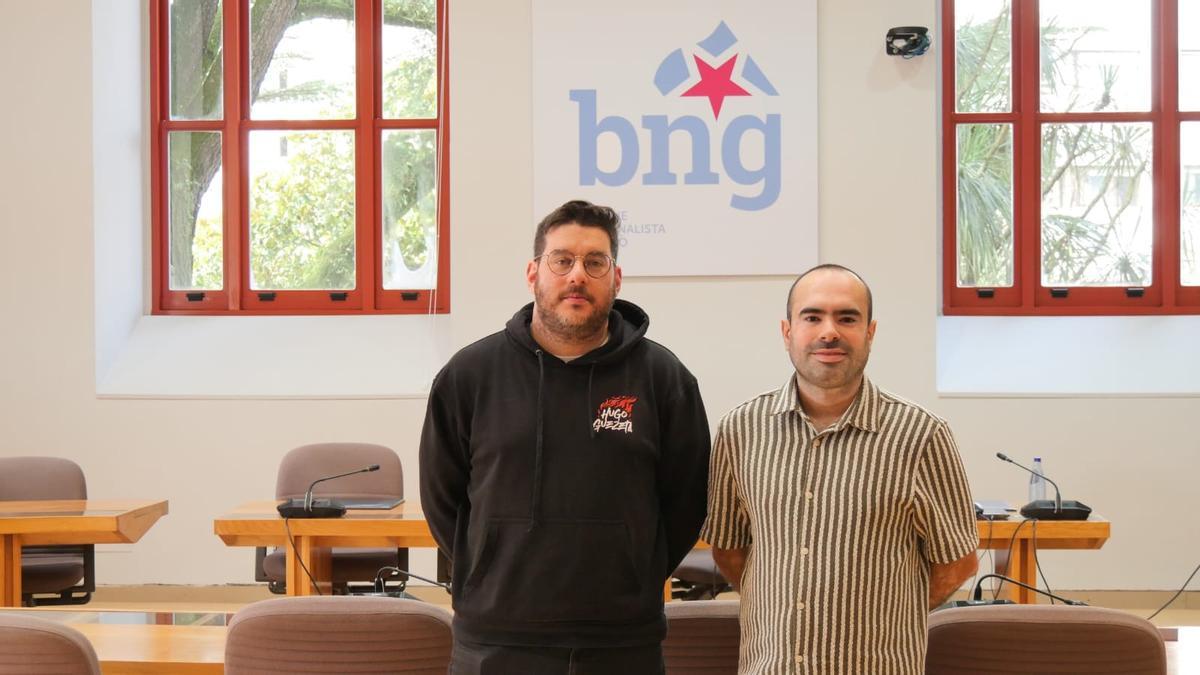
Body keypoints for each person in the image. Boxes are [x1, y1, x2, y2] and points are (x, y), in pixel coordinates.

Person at [420, 199, 711, 674]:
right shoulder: (470, 376)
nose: (577, 275)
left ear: (616, 279)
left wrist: (635, 571)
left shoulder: (664, 379)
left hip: (622, 643)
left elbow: (685, 500)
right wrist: (488, 567)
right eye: (562, 260)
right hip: (495, 640)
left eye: (595, 262)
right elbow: (443, 497)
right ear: (534, 273)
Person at [702, 264, 978, 674]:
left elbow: (958, 562)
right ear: (787, 332)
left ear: (870, 332)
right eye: (812, 317)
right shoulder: (740, 430)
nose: (828, 331)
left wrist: (882, 617)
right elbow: (729, 548)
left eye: (847, 318)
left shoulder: (921, 435)